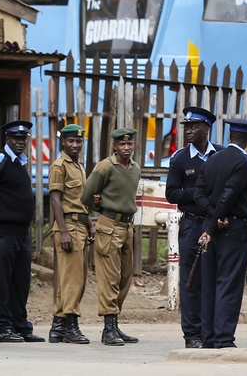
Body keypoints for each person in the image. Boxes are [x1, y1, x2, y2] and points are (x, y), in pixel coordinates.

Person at [0, 120, 45, 343]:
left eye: (23, 139)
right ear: (7, 140)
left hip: (21, 234)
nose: (20, 142)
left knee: (20, 282)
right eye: (16, 139)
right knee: (1, 282)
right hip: (1, 233)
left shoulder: (19, 162)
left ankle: (20, 325)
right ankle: (2, 327)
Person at [193, 118, 247, 349]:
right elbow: (229, 195)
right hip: (232, 229)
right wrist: (216, 221)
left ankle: (209, 337)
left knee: (209, 283)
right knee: (228, 284)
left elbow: (198, 194)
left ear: (230, 136)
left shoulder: (212, 160)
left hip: (212, 228)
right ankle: (223, 339)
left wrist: (212, 217)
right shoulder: (243, 162)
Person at [165, 107, 223, 349]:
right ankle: (192, 335)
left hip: (216, 226)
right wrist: (200, 195)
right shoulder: (180, 159)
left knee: (214, 278)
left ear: (206, 129)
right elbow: (172, 194)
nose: (188, 130)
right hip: (191, 224)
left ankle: (211, 332)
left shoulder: (220, 155)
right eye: (186, 126)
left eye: (194, 126)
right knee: (192, 279)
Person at [81, 127, 141, 347]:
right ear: (114, 146)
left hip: (127, 227)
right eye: (122, 144)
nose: (126, 147)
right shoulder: (105, 166)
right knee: (110, 278)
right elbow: (87, 195)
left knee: (125, 277)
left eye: (130, 144)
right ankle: (108, 328)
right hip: (109, 226)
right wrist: (98, 205)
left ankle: (115, 325)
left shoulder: (135, 169)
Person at [48, 124, 94, 345]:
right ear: (63, 143)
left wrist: (91, 225)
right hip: (68, 228)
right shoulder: (59, 166)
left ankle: (57, 327)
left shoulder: (79, 166)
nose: (75, 145)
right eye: (71, 141)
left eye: (79, 141)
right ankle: (70, 326)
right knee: (73, 281)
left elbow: (80, 201)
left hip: (81, 226)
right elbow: (55, 199)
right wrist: (64, 231)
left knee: (70, 280)